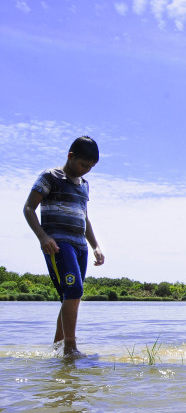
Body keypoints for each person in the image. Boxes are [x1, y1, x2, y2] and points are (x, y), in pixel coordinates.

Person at [22, 136, 105, 357]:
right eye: (83, 164)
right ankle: (70, 347)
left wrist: (95, 245)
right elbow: (29, 208)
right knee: (74, 290)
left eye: (91, 167)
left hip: (80, 247)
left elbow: (84, 219)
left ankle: (57, 348)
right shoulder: (50, 177)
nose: (86, 170)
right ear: (71, 156)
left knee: (70, 296)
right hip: (58, 244)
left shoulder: (84, 186)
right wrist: (42, 237)